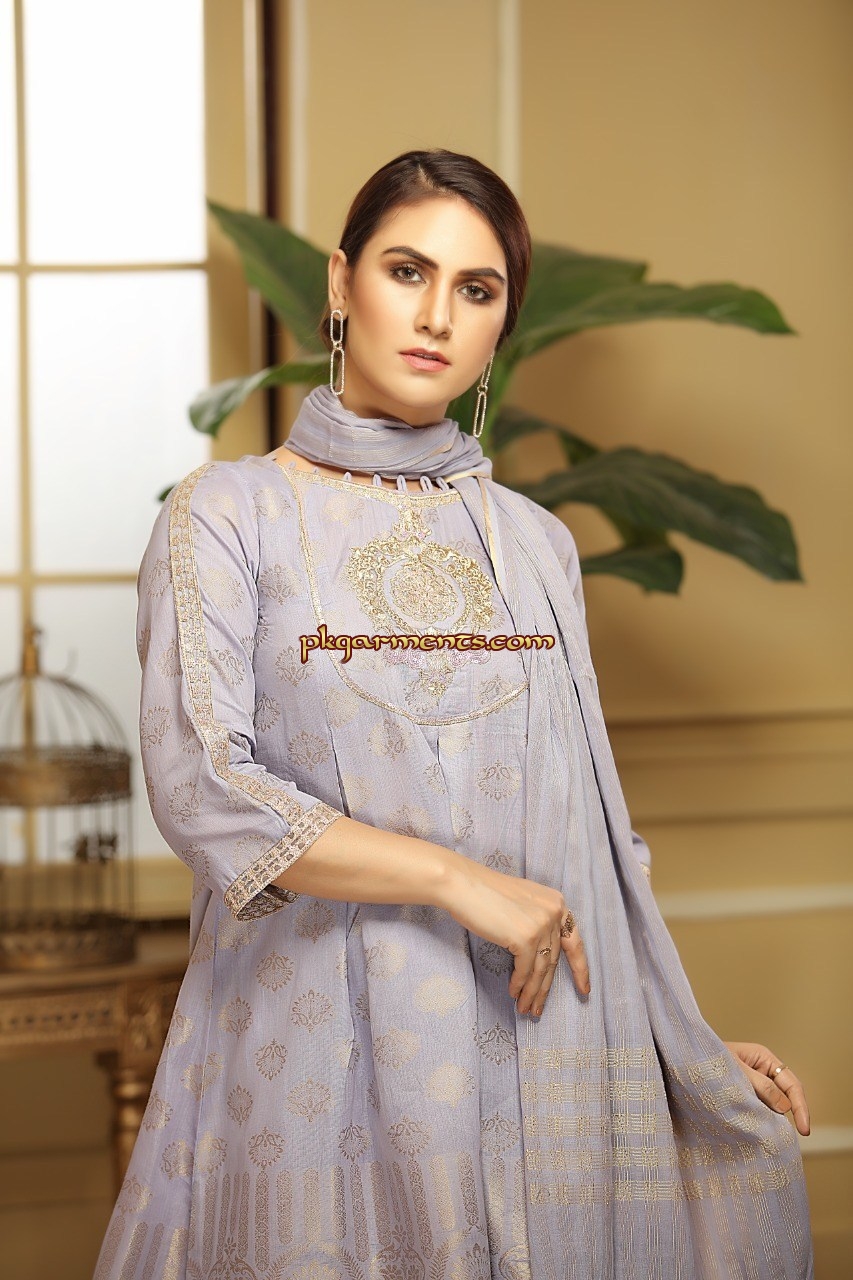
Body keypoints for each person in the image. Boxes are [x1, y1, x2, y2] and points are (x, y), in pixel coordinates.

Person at [93, 149, 814, 1280]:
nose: (436, 315)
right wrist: (452, 880)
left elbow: (593, 836)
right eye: (406, 270)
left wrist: (676, 1043)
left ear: (499, 327)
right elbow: (204, 786)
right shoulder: (229, 514)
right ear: (341, 284)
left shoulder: (535, 543)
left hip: (535, 1052)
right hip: (310, 1052)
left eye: (475, 290)